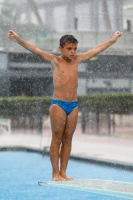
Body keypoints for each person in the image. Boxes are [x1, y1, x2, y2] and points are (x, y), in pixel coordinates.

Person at [8, 30, 122, 181]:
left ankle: (63, 172)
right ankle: (55, 172)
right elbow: (35, 49)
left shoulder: (78, 60)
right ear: (61, 48)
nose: (73, 52)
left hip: (73, 105)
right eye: (69, 49)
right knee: (57, 138)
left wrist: (113, 39)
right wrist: (18, 39)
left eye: (75, 48)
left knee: (68, 139)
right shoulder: (55, 60)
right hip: (58, 104)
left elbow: (97, 49)